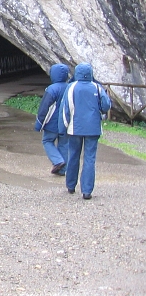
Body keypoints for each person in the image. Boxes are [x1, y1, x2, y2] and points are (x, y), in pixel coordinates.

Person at [58, 62, 111, 200]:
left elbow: (65, 110)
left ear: (77, 73)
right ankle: (87, 191)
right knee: (89, 158)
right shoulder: (97, 87)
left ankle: (71, 185)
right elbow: (106, 105)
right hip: (93, 128)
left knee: (73, 155)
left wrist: (62, 128)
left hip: (75, 128)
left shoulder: (71, 87)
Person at [34, 63, 71, 175]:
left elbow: (45, 108)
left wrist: (39, 123)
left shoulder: (52, 89)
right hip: (66, 123)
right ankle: (62, 170)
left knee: (47, 141)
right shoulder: (70, 87)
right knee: (64, 144)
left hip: (52, 124)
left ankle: (58, 161)